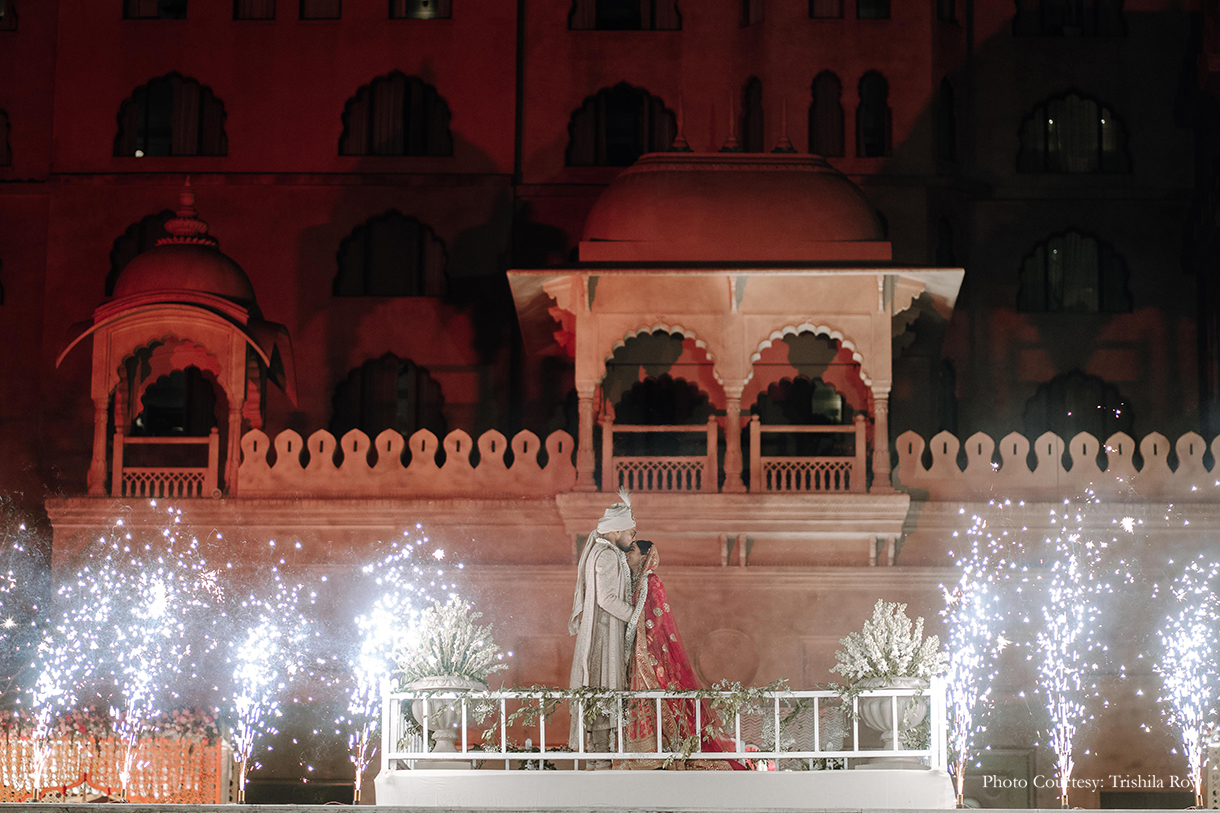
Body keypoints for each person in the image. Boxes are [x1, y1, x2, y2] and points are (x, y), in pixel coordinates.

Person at [623, 540, 745, 770]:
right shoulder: (632, 583)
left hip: (652, 652)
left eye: (633, 551)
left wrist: (646, 644)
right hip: (638, 652)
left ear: (645, 557)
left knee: (660, 698)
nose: (628, 555)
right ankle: (644, 754)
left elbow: (659, 618)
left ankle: (664, 752)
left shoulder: (652, 581)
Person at [567, 489, 637, 768]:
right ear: (616, 531)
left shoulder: (602, 551)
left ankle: (601, 758)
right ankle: (600, 757)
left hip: (603, 632)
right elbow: (607, 599)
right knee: (602, 688)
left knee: (601, 691)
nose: (632, 537)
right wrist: (636, 616)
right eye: (630, 532)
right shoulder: (606, 556)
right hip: (603, 635)